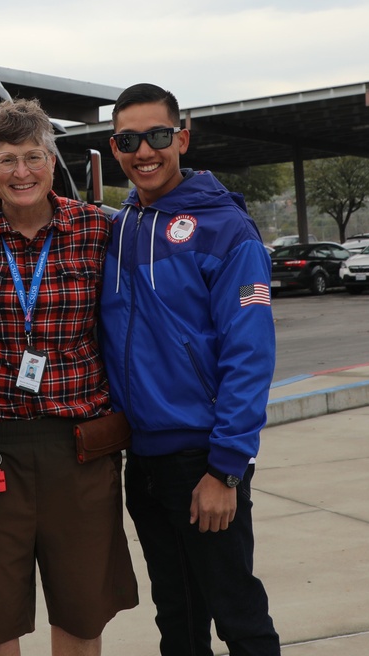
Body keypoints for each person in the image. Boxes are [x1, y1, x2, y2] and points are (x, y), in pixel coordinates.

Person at [0, 97, 138, 656]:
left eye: (33, 157)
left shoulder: (99, 230)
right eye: (6, 159)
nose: (21, 172)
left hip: (79, 448)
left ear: (52, 162)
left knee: (83, 612)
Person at [101, 82, 280, 656]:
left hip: (203, 460)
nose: (144, 152)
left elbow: (249, 354)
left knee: (238, 615)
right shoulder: (121, 226)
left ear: (181, 137)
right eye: (129, 140)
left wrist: (226, 468)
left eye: (156, 136)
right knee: (177, 619)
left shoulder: (227, 231)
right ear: (114, 147)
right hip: (144, 460)